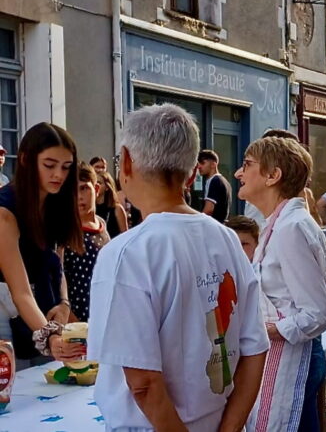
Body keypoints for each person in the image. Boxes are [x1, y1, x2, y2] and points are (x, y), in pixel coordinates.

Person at [88, 104, 268, 432]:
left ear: (126, 161)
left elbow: (142, 382)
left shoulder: (127, 252)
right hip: (218, 419)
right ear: (192, 173)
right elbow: (254, 350)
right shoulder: (228, 239)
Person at [236, 136, 326, 432]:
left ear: (273, 176)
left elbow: (317, 313)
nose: (239, 173)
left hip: (293, 362)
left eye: (247, 165)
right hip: (284, 358)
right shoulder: (279, 225)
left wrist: (268, 330)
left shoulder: (291, 229)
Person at [0, 123, 86, 367]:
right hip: (7, 312)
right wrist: (50, 337)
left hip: (41, 308)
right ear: (26, 159)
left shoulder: (56, 204)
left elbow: (57, 263)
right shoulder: (4, 213)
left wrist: (64, 303)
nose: (58, 175)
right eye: (49, 165)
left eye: (66, 167)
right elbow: (20, 292)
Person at [65, 163, 111, 322]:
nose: (78, 196)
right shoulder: (66, 232)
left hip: (104, 316)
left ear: (97, 189)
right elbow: (57, 284)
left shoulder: (101, 225)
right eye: (72, 190)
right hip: (76, 323)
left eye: (84, 188)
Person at [198, 149, 232, 223]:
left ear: (213, 164)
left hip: (213, 225)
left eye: (203, 163)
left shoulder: (214, 181)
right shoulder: (224, 181)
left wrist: (198, 222)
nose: (199, 167)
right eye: (198, 164)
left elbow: (209, 209)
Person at [95, 170, 129, 237]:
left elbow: (125, 234)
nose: (95, 185)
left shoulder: (117, 209)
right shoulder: (90, 208)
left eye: (99, 183)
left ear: (107, 187)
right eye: (93, 182)